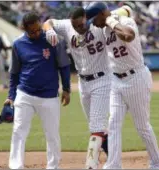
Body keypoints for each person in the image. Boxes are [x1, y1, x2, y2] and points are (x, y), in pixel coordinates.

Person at [85, 2, 159, 169]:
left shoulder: (125, 22)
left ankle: (157, 163)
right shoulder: (102, 27)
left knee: (142, 126)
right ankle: (113, 165)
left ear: (101, 14)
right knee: (113, 123)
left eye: (94, 19)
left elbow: (128, 36)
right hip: (116, 80)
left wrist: (112, 22)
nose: (93, 23)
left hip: (135, 77)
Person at [43, 7, 112, 169]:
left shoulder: (99, 26)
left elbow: (114, 15)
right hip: (83, 82)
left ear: (87, 19)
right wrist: (49, 31)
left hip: (102, 79)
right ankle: (114, 158)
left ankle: (91, 165)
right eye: (76, 26)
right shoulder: (68, 25)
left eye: (82, 25)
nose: (79, 28)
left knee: (96, 126)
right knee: (96, 126)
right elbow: (48, 22)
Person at [4, 12, 71, 169]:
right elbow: (14, 73)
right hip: (25, 93)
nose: (36, 33)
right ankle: (16, 166)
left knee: (52, 134)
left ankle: (53, 167)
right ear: (24, 28)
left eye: (38, 29)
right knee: (19, 131)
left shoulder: (53, 40)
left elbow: (64, 66)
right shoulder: (18, 44)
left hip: (49, 96)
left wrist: (67, 89)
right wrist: (10, 96)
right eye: (32, 31)